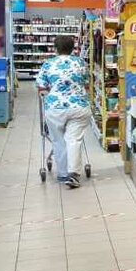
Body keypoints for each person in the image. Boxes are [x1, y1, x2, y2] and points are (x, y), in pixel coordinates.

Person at [36, 35, 90, 188]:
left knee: (58, 140)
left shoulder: (48, 64)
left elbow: (41, 87)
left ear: (55, 48)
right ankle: (74, 174)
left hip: (55, 108)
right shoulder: (80, 62)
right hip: (79, 107)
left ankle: (63, 174)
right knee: (74, 140)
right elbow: (86, 83)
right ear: (73, 48)